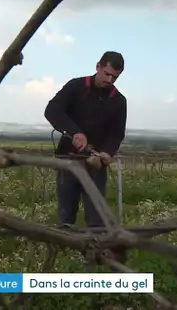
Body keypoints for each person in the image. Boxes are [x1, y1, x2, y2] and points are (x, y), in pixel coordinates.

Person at [44, 51, 127, 229]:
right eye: (107, 74)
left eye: (115, 77)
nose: (110, 80)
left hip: (96, 165)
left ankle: (95, 253)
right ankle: (65, 250)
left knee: (97, 217)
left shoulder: (119, 101)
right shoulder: (76, 87)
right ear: (98, 67)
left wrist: (107, 151)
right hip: (68, 161)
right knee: (66, 214)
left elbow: (116, 133)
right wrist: (75, 132)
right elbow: (52, 110)